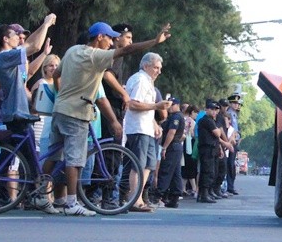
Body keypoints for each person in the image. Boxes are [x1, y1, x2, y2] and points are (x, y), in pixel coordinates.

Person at [42, 21, 171, 216]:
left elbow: (58, 74)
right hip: (76, 112)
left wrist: (62, 95)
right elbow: (127, 51)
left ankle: (39, 194)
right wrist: (154, 41)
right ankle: (71, 203)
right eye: (109, 38)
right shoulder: (95, 56)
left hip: (60, 110)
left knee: (54, 154)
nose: (111, 42)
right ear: (99, 37)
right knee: (74, 159)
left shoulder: (72, 51)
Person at [0, 14, 56, 210]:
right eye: (14, 35)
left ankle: (12, 196)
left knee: (13, 154)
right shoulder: (4, 56)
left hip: (18, 111)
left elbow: (30, 44)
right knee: (30, 158)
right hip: (16, 112)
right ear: (5, 39)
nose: (18, 39)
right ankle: (35, 197)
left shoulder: (8, 58)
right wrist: (46, 23)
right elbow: (33, 46)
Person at [122, 52, 172, 213]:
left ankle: (138, 197)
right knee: (138, 164)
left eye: (160, 68)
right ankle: (134, 199)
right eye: (156, 67)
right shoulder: (140, 80)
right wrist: (157, 107)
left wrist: (154, 123)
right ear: (146, 66)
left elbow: (145, 106)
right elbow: (134, 104)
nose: (159, 71)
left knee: (149, 164)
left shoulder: (147, 82)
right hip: (137, 128)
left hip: (147, 128)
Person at [196, 100, 231, 203]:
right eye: (211, 109)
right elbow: (217, 133)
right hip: (206, 148)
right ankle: (204, 194)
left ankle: (207, 193)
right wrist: (219, 130)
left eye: (216, 110)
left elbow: (217, 135)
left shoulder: (212, 120)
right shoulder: (206, 120)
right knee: (207, 172)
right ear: (206, 109)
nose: (214, 112)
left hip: (213, 148)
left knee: (212, 171)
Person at [157, 97, 185, 208]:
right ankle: (175, 196)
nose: (169, 107)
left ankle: (158, 196)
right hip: (176, 147)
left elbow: (171, 133)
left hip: (172, 146)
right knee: (175, 173)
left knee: (165, 171)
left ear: (177, 105)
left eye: (171, 105)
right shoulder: (173, 116)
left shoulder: (176, 117)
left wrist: (164, 148)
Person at [224, 93, 244, 196]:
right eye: (234, 103)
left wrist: (239, 137)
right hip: (230, 141)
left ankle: (231, 186)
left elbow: (236, 129)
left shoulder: (235, 114)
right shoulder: (229, 113)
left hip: (235, 140)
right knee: (229, 164)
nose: (236, 105)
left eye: (237, 103)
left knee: (232, 164)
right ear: (230, 103)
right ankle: (229, 186)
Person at [181, 104, 200, 197]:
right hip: (190, 144)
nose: (196, 115)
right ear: (192, 112)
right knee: (191, 166)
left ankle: (183, 187)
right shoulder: (190, 121)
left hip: (185, 144)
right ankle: (193, 188)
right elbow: (192, 133)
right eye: (196, 113)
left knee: (186, 166)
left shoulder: (185, 119)